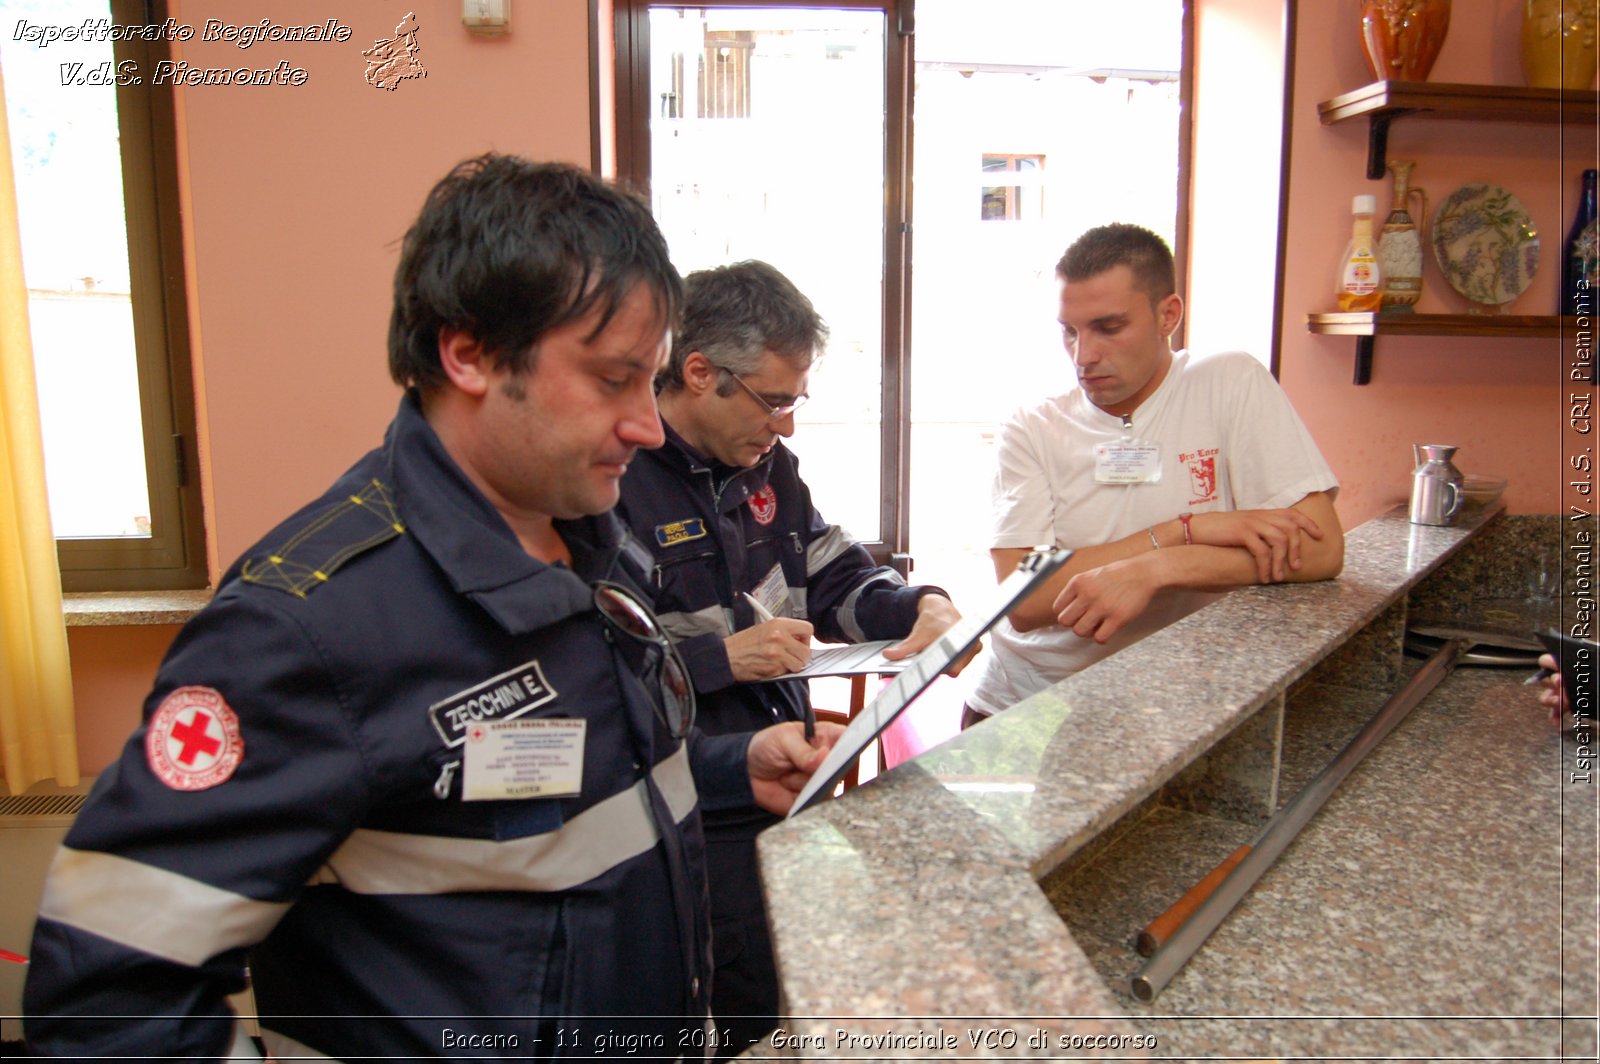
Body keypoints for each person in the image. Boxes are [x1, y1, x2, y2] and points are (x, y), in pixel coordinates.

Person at [22, 156, 840, 1060]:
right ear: (470, 353)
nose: (647, 425)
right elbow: (106, 1004)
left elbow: (561, 802)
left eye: (650, 383)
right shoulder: (301, 632)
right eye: (613, 381)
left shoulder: (594, 550)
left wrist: (729, 773)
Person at [614, 259, 969, 1056]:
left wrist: (920, 604)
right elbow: (593, 670)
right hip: (686, 803)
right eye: (775, 401)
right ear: (700, 373)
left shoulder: (766, 464)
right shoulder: (615, 475)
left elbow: (833, 571)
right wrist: (718, 660)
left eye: (795, 401)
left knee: (785, 997)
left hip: (786, 783)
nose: (786, 425)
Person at [963, 223, 1345, 727]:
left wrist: (1160, 568)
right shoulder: (1034, 426)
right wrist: (1182, 531)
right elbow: (1023, 596)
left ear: (1168, 315)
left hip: (1175, 705)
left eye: (1109, 327)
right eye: (1070, 331)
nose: (1084, 355)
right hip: (1031, 705)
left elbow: (1321, 551)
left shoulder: (1229, 382)